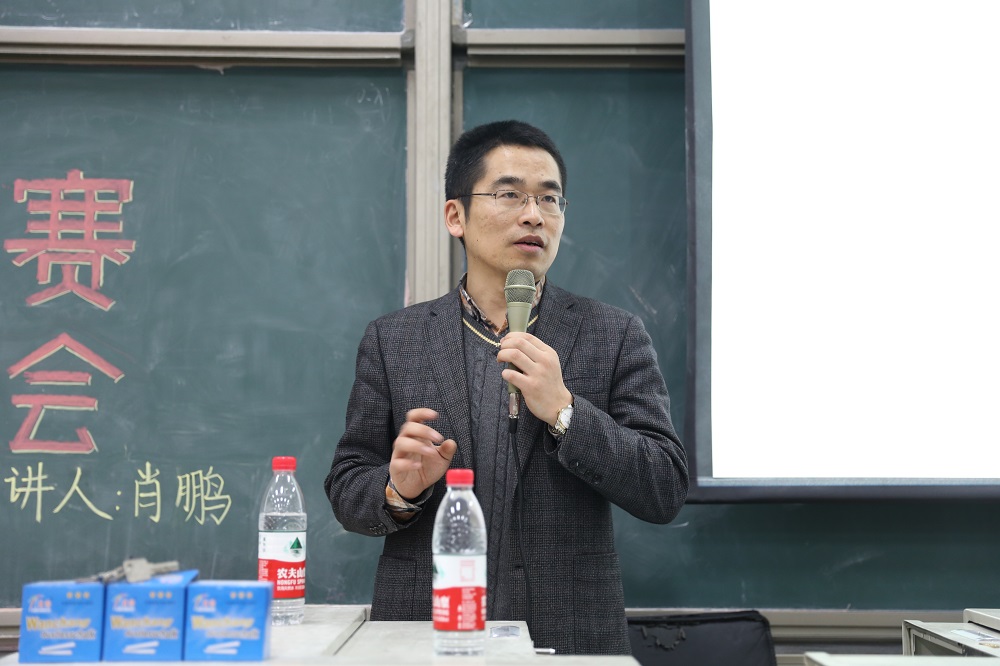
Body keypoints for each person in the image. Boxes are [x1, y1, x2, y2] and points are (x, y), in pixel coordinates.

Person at [324, 120, 688, 655]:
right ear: (456, 216)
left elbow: (664, 488)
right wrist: (398, 489)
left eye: (550, 199)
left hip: (569, 631)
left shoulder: (613, 334)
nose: (534, 215)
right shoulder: (394, 340)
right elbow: (347, 488)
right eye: (510, 194)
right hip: (426, 632)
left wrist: (565, 412)